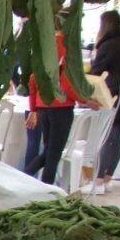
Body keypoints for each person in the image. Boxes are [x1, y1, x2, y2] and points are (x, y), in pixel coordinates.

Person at [22, 19, 88, 186]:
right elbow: (67, 82)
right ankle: (44, 188)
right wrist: (84, 100)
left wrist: (34, 108)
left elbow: (33, 79)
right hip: (61, 107)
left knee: (49, 151)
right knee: (53, 153)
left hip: (44, 105)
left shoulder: (44, 47)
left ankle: (25, 178)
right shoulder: (67, 48)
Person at [87, 11, 120, 194]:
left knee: (108, 137)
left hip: (116, 94)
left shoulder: (109, 45)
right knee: (117, 138)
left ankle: (98, 179)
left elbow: (95, 72)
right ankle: (106, 178)